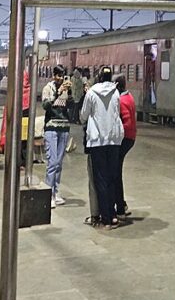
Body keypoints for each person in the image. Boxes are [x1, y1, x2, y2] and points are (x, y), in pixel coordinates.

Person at [79, 65, 124, 230]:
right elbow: (117, 112)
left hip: (97, 141)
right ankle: (112, 216)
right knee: (112, 177)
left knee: (101, 179)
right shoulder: (116, 93)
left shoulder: (91, 93)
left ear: (98, 77)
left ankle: (105, 217)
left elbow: (83, 116)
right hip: (114, 140)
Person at [41, 65, 72, 208]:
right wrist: (58, 92)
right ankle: (48, 194)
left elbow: (71, 106)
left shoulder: (66, 90)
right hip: (51, 128)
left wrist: (71, 92)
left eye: (62, 76)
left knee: (59, 163)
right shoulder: (48, 88)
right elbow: (46, 105)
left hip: (64, 128)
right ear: (53, 75)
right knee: (52, 162)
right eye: (58, 76)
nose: (60, 78)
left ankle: (56, 192)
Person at [114, 75, 136, 218]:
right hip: (131, 137)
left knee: (115, 173)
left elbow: (126, 122)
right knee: (116, 172)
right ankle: (121, 204)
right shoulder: (129, 97)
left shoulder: (121, 101)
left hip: (124, 138)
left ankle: (120, 207)